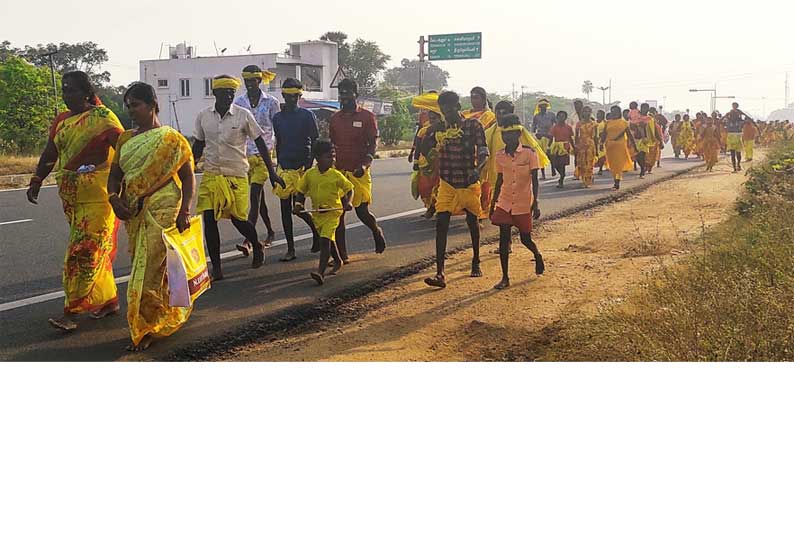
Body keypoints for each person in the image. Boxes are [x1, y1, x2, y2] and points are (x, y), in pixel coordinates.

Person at [26, 71, 124, 332]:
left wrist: (127, 187)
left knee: (82, 252)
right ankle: (109, 301)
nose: (67, 95)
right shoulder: (62, 120)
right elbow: (51, 152)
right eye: (64, 90)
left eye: (72, 90)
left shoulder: (103, 118)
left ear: (86, 92)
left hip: (99, 198)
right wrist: (37, 178)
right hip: (71, 198)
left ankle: (72, 312)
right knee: (95, 252)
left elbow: (124, 152)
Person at [106, 82, 196, 351]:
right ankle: (162, 314)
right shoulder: (125, 140)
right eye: (128, 106)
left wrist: (185, 210)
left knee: (148, 271)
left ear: (152, 104)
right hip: (133, 211)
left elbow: (188, 177)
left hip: (163, 208)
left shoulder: (171, 139)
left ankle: (145, 325)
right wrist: (114, 199)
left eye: (136, 105)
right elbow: (114, 176)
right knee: (148, 267)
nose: (131, 111)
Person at [192, 75, 282, 280]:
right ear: (214, 94)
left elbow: (260, 142)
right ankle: (216, 267)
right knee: (209, 219)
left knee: (238, 219)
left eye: (232, 93)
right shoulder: (203, 116)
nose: (229, 97)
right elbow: (197, 145)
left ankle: (256, 245)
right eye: (224, 93)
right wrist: (187, 169)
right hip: (212, 174)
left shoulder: (243, 115)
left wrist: (272, 171)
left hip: (236, 175)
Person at [423, 91, 489, 289]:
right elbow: (425, 149)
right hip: (447, 182)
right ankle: (440, 273)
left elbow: (484, 151)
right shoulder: (438, 127)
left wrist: (478, 170)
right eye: (443, 110)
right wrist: (429, 136)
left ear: (458, 107)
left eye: (450, 108)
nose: (447, 113)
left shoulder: (473, 125)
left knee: (472, 222)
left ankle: (476, 259)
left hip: (468, 181)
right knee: (441, 224)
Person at [329, 78, 387, 262]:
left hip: (359, 172)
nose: (344, 96)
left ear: (355, 93)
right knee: (338, 214)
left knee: (362, 212)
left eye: (347, 92)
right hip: (339, 172)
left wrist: (365, 164)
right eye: (341, 92)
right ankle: (342, 255)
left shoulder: (367, 117)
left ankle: (376, 231)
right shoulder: (335, 118)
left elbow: (373, 144)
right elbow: (332, 144)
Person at [489, 115, 545, 290]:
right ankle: (505, 277)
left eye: (512, 134)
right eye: (505, 135)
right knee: (503, 239)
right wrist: (492, 204)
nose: (508, 138)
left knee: (525, 239)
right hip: (505, 202)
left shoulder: (530, 153)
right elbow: (499, 180)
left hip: (522, 203)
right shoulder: (500, 156)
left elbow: (535, 180)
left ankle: (537, 255)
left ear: (519, 134)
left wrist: (535, 202)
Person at [271, 78, 322, 262]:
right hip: (285, 167)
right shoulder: (277, 118)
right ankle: (290, 248)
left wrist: (310, 164)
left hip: (303, 167)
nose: (292, 100)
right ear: (283, 96)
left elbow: (315, 141)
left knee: (298, 208)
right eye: (289, 96)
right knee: (285, 209)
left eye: (296, 97)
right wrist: (276, 168)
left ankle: (316, 232)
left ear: (300, 96)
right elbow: (279, 143)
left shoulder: (307, 115)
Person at [233, 65, 280, 255]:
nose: (250, 84)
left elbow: (278, 128)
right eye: (247, 81)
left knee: (254, 195)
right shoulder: (239, 102)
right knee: (258, 202)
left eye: (253, 81)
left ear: (259, 81)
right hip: (245, 156)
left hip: (264, 155)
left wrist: (277, 158)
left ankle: (248, 240)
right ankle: (269, 231)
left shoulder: (271, 102)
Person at [293, 140, 354, 285]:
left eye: (333, 156)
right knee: (328, 240)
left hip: (333, 214)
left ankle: (320, 272)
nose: (332, 160)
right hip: (317, 214)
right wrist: (298, 205)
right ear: (317, 158)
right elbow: (300, 192)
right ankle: (337, 260)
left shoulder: (336, 175)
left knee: (324, 241)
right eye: (328, 157)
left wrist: (348, 202)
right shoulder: (309, 175)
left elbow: (349, 189)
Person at [411, 92, 444, 218]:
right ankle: (430, 207)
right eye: (430, 116)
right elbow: (418, 146)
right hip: (424, 164)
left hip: (440, 165)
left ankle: (436, 210)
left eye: (434, 117)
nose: (431, 118)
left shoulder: (443, 130)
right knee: (424, 188)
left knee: (439, 188)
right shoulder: (424, 130)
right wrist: (415, 161)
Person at [601, 105, 636, 190]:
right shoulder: (608, 123)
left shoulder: (623, 123)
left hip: (620, 146)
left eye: (615, 111)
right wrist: (600, 144)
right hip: (610, 147)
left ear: (619, 112)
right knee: (613, 165)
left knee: (618, 165)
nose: (614, 113)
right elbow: (604, 134)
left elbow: (629, 135)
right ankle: (615, 179)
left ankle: (617, 182)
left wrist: (634, 146)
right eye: (612, 111)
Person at [723, 102, 753, 171]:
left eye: (735, 115)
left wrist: (743, 114)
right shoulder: (727, 121)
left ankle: (738, 164)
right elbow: (720, 122)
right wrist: (726, 115)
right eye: (732, 115)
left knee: (738, 154)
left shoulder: (740, 122)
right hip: (730, 137)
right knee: (732, 154)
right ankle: (734, 168)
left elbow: (749, 120)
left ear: (737, 115)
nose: (733, 116)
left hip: (738, 137)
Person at [550, 111, 575, 187]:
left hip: (565, 147)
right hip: (557, 147)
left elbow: (571, 138)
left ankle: (561, 179)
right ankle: (561, 174)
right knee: (556, 164)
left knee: (562, 164)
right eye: (560, 116)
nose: (561, 118)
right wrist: (549, 147)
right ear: (557, 117)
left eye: (563, 116)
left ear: (565, 118)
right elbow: (551, 137)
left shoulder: (568, 127)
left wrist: (574, 147)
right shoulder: (554, 127)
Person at [532, 98, 556, 180]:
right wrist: (535, 135)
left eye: (544, 106)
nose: (543, 108)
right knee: (541, 156)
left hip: (549, 137)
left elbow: (556, 124)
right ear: (539, 107)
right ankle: (543, 174)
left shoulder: (552, 115)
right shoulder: (536, 116)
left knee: (551, 155)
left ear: (547, 106)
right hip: (541, 137)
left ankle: (553, 168)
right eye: (541, 106)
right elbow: (533, 127)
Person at [574, 106, 598, 187]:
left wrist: (597, 149)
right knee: (582, 163)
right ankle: (585, 178)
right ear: (582, 113)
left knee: (589, 164)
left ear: (590, 113)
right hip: (581, 145)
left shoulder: (594, 124)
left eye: (588, 111)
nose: (586, 113)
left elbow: (595, 137)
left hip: (590, 145)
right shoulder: (579, 124)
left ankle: (588, 180)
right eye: (585, 111)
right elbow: (576, 136)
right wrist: (575, 147)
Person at [595, 109, 607, 175]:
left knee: (602, 155)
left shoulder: (605, 123)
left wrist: (602, 141)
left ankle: (600, 168)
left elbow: (606, 133)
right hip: (595, 141)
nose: (598, 115)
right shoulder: (594, 122)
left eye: (600, 114)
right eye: (598, 114)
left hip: (602, 141)